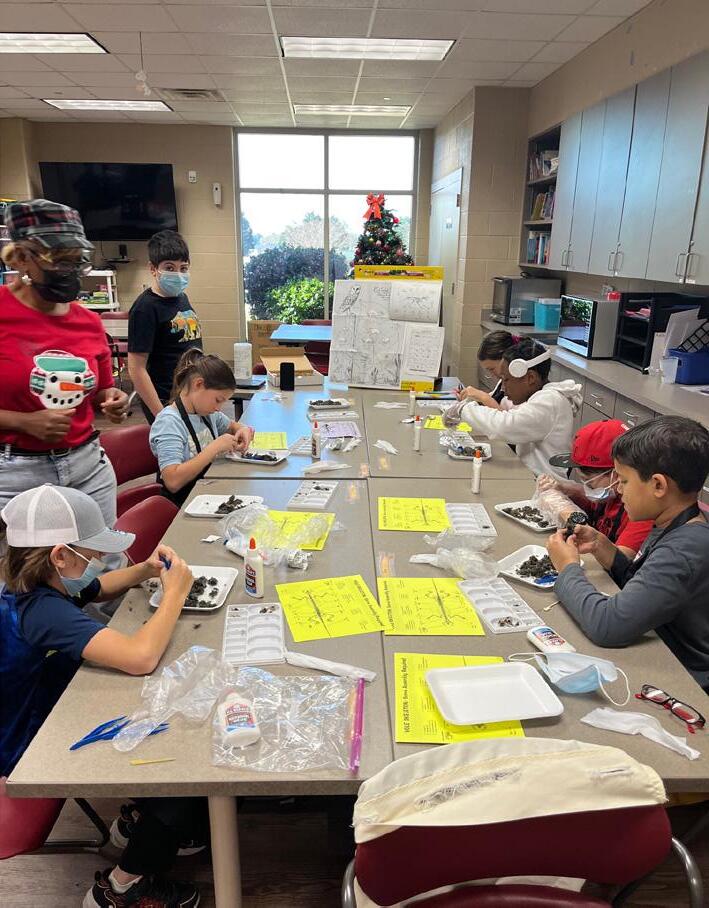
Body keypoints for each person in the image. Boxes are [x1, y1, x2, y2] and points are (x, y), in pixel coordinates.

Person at [0, 483, 204, 907]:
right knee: (184, 767)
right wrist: (176, 593)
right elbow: (141, 657)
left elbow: (97, 587)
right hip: (29, 745)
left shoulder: (31, 583)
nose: (97, 560)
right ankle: (123, 887)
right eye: (91, 553)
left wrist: (146, 569)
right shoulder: (43, 612)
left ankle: (142, 821)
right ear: (60, 555)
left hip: (52, 703)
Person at [547, 416, 709, 690]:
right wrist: (603, 547)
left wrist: (567, 567)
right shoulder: (672, 522)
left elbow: (607, 625)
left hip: (685, 677)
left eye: (623, 480)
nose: (618, 490)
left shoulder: (684, 550)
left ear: (658, 485)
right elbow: (645, 583)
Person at [0, 199, 129, 541]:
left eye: (76, 260)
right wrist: (23, 422)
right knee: (24, 571)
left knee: (102, 562)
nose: (69, 270)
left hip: (87, 466)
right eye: (58, 259)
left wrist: (112, 400)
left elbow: (100, 391)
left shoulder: (88, 321)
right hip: (14, 475)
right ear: (21, 257)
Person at [443, 338, 582, 478]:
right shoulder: (542, 397)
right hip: (530, 476)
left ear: (530, 378)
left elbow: (505, 426)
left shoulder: (549, 401)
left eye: (506, 380)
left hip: (545, 485)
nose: (503, 387)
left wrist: (463, 410)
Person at [150, 349, 253, 506]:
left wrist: (243, 429)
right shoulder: (169, 423)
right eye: (218, 400)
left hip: (206, 494)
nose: (219, 408)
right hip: (181, 505)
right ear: (198, 384)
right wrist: (214, 448)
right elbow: (172, 481)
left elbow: (232, 426)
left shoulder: (207, 413)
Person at [538, 419, 654, 558]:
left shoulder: (642, 511)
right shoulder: (610, 491)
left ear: (616, 474)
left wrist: (567, 512)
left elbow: (621, 560)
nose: (588, 489)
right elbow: (591, 502)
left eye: (589, 483)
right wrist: (564, 490)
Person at [127, 230, 202, 425]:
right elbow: (136, 368)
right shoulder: (145, 308)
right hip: (165, 400)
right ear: (153, 269)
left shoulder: (182, 298)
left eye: (183, 268)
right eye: (169, 267)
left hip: (189, 394)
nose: (178, 274)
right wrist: (162, 415)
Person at [455, 330, 521, 409]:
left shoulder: (521, 391)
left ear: (507, 361)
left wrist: (483, 397)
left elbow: (505, 416)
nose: (491, 374)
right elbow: (493, 399)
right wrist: (471, 398)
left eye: (492, 369)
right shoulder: (502, 382)